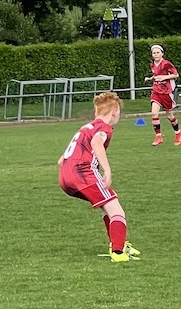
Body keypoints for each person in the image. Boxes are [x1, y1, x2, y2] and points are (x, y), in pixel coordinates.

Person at [58, 91, 138, 262]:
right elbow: (96, 142)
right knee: (117, 211)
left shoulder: (86, 128)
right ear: (115, 111)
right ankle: (118, 253)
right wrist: (107, 170)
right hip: (83, 173)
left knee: (108, 205)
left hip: (65, 177)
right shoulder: (104, 128)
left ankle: (119, 243)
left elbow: (60, 160)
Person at [145, 44, 181, 147]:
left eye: (158, 53)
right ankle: (158, 136)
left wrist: (164, 77)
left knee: (169, 115)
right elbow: (156, 75)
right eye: (154, 53)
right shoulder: (152, 64)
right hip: (156, 91)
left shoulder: (166, 64)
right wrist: (150, 78)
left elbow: (176, 74)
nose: (156, 55)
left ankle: (178, 132)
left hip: (166, 92)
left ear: (162, 53)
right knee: (154, 113)